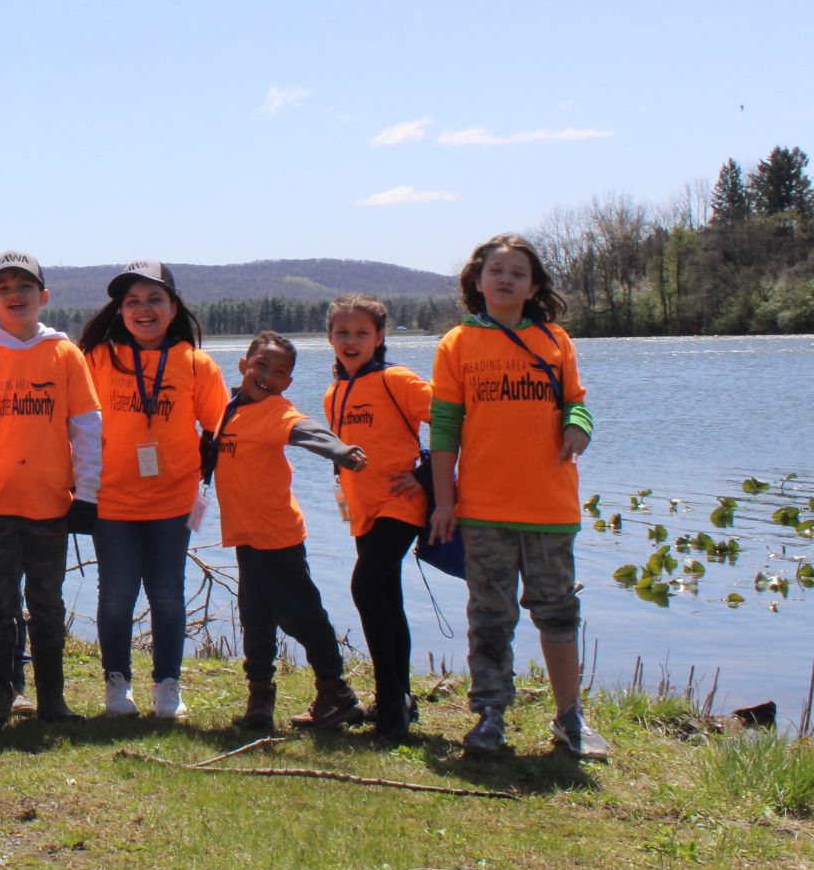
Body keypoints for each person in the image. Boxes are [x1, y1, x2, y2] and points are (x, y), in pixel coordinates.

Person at [426, 234, 604, 759]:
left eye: (517, 273)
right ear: (477, 283)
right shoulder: (457, 344)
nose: (505, 279)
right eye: (495, 271)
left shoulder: (555, 340)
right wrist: (444, 501)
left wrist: (578, 427)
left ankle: (569, 717)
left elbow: (578, 403)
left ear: (533, 286)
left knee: (557, 612)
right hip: (483, 509)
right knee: (490, 616)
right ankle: (489, 716)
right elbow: (443, 431)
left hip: (550, 507)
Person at [0, 251, 102, 728]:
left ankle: (52, 700)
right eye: (3, 289)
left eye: (24, 287)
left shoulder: (65, 354)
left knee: (47, 604)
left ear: (44, 296)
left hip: (50, 504)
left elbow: (86, 426)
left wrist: (88, 495)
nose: (14, 296)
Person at [78, 262, 228, 720]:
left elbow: (222, 430)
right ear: (120, 311)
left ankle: (167, 684)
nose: (144, 310)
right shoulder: (99, 359)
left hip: (173, 501)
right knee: (116, 593)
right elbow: (74, 422)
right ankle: (117, 683)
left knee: (166, 593)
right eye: (133, 302)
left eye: (154, 300)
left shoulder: (196, 363)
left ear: (173, 307)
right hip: (112, 500)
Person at [209, 332, 367, 733]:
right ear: (244, 364)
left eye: (279, 372)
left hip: (278, 538)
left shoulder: (276, 410)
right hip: (246, 536)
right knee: (255, 618)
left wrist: (340, 450)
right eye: (261, 365)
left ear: (288, 383)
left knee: (303, 617)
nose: (268, 376)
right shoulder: (230, 408)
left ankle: (337, 693)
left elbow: (305, 430)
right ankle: (260, 699)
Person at [321, 294, 434, 742]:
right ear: (330, 337)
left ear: (380, 337)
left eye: (361, 333)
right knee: (387, 599)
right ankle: (401, 698)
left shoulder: (397, 380)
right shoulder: (334, 391)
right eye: (342, 333)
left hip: (400, 505)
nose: (351, 341)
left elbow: (451, 419)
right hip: (362, 511)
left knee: (365, 587)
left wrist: (424, 476)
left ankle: (390, 706)